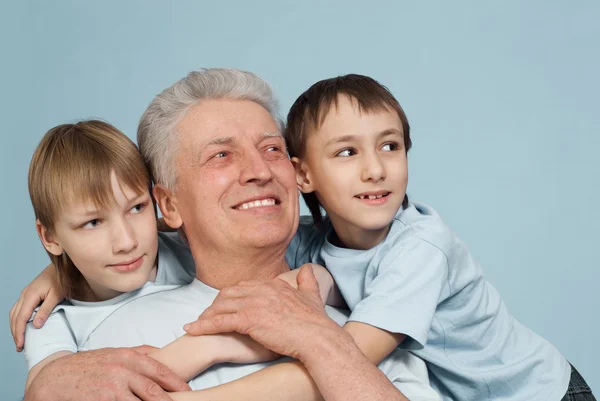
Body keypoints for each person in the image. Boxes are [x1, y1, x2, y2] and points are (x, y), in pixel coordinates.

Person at [16, 69, 441, 401]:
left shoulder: (370, 324)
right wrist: (58, 277)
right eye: (221, 155)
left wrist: (318, 339)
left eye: (272, 149)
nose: (260, 170)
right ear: (169, 205)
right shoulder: (113, 344)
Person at [184, 73, 595, 401]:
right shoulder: (308, 242)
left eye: (390, 146)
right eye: (347, 152)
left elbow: (344, 361)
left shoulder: (421, 247)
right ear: (302, 174)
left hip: (541, 392)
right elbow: (203, 235)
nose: (375, 169)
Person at [22, 119, 296, 392]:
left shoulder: (185, 248)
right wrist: (58, 273)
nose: (127, 242)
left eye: (138, 208)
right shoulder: (48, 321)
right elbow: (47, 392)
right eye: (93, 223)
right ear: (49, 237)